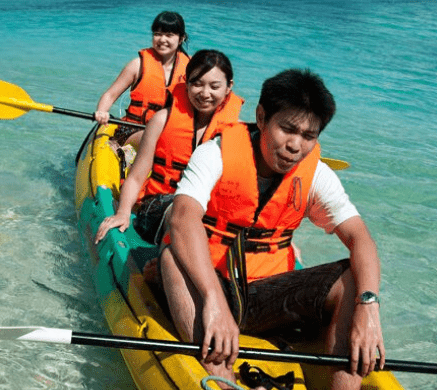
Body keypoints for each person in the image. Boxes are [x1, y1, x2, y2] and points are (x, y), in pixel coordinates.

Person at [158, 69, 385, 389]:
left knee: (352, 277)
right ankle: (222, 380)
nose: (296, 145)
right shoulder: (215, 153)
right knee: (171, 257)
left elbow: (360, 239)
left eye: (309, 136)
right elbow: (182, 218)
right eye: (287, 129)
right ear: (262, 117)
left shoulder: (316, 174)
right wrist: (214, 301)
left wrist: (368, 306)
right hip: (211, 284)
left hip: (270, 294)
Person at [95, 49, 244, 245]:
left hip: (204, 214)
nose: (205, 93)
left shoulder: (237, 132)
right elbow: (137, 176)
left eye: (214, 86)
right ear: (186, 83)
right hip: (159, 207)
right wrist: (123, 213)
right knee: (184, 212)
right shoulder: (162, 120)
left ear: (228, 87)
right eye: (197, 84)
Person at [94, 11, 189, 148]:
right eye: (157, 34)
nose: (162, 39)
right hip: (132, 130)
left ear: (181, 38)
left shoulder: (191, 69)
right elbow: (110, 94)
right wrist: (102, 111)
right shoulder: (137, 65)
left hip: (170, 132)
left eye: (169, 35)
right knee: (156, 138)